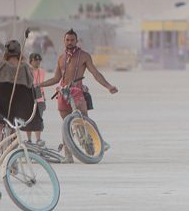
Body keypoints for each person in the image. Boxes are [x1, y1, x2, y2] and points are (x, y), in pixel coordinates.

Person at [37, 29, 119, 159]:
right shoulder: (61, 58)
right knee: (66, 126)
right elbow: (55, 79)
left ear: (77, 41)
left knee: (84, 120)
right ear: (64, 41)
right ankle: (68, 157)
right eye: (67, 40)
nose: (70, 42)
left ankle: (99, 143)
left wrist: (108, 86)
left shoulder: (84, 56)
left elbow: (96, 74)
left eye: (72, 40)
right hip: (62, 93)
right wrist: (39, 85)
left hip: (77, 92)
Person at [26, 51, 47, 144]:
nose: (38, 62)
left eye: (39, 60)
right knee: (29, 119)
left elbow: (42, 85)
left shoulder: (42, 71)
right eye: (35, 60)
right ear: (30, 61)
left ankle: (38, 139)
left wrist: (44, 97)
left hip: (40, 99)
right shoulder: (27, 71)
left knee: (39, 119)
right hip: (29, 98)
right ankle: (29, 139)